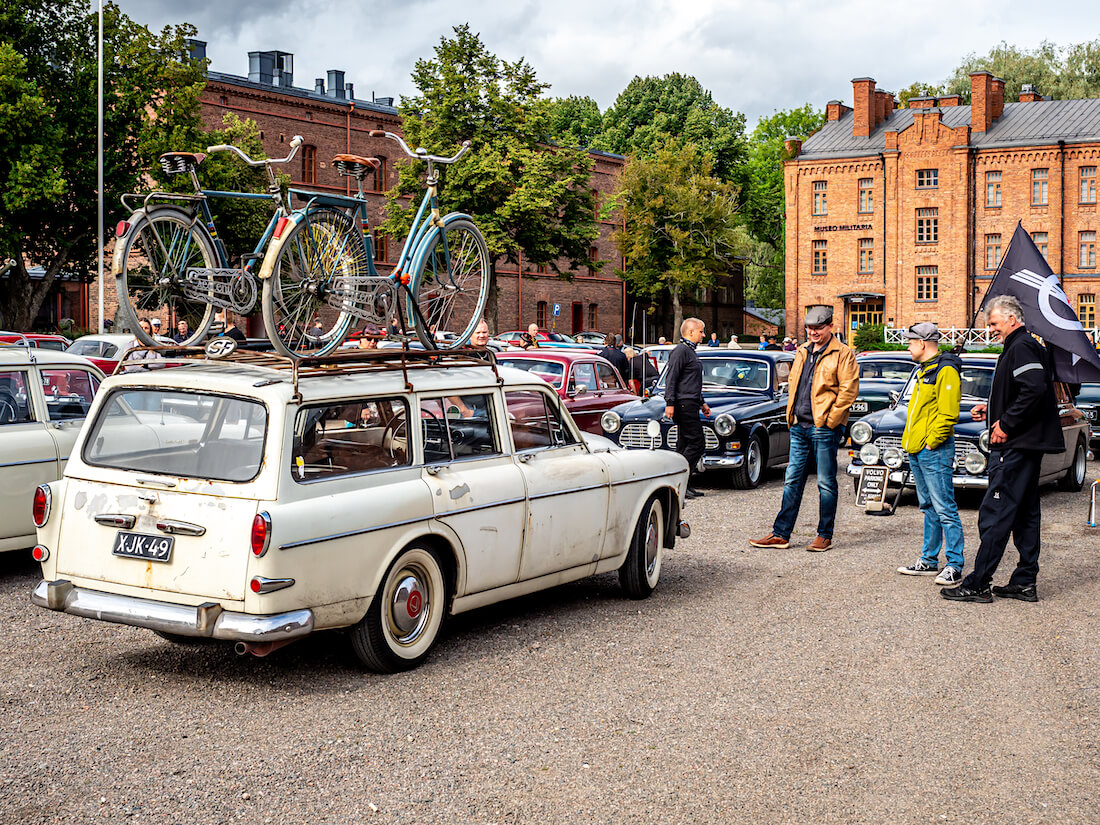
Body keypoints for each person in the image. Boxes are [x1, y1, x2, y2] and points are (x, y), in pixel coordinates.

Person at [942, 295, 1064, 603]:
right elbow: (1024, 389)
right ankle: (1024, 581)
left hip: (1017, 446)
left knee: (995, 512)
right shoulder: (1021, 346)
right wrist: (993, 407)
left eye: (994, 323)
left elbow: (1034, 388)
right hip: (1026, 444)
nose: (991, 329)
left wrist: (1006, 423)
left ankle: (978, 583)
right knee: (1025, 514)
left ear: (1012, 319)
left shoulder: (1021, 346)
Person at [750, 306, 859, 552]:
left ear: (831, 327)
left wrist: (830, 422)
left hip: (824, 427)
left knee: (826, 483)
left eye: (818, 328)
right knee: (792, 480)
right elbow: (794, 385)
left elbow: (848, 391)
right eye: (809, 328)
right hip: (799, 425)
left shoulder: (843, 354)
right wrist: (792, 417)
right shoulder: (801, 351)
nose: (813, 332)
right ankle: (780, 533)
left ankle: (824, 535)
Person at [895, 322, 965, 586]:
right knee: (929, 507)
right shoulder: (926, 369)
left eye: (911, 342)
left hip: (932, 451)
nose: (909, 347)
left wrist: (931, 443)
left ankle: (955, 563)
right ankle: (929, 560)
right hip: (919, 449)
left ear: (922, 343)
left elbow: (948, 414)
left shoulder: (945, 370)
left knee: (945, 508)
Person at [663, 318, 710, 498]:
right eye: (701, 331)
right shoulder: (681, 351)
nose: (703, 335)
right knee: (697, 443)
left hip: (690, 402)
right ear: (691, 332)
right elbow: (672, 378)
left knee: (683, 444)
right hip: (683, 404)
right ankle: (681, 479)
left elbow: (692, 383)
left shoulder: (689, 351)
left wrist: (702, 402)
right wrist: (670, 403)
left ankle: (681, 486)